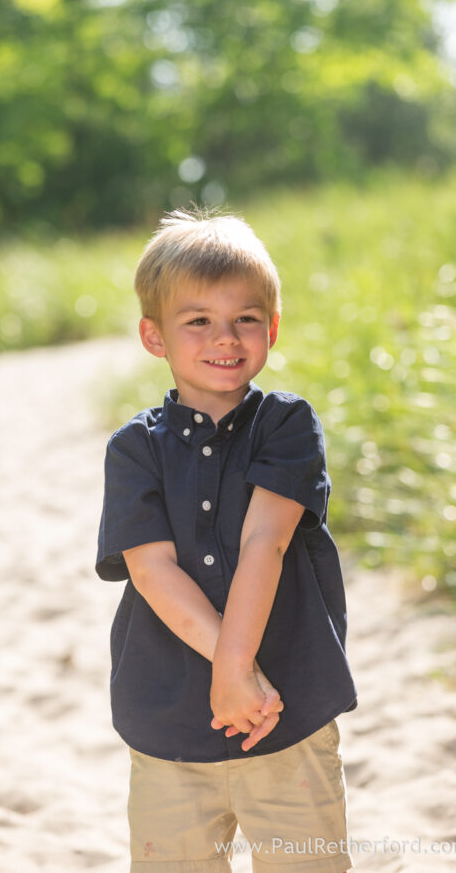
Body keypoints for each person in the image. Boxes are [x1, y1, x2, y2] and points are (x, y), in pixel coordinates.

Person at [96, 208, 358, 872]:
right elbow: (152, 571)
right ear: (154, 337)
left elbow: (264, 545)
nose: (226, 337)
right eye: (198, 321)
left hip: (287, 708)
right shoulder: (134, 450)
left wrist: (243, 675)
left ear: (271, 327)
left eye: (245, 318)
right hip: (169, 721)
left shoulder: (288, 425)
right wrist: (233, 670)